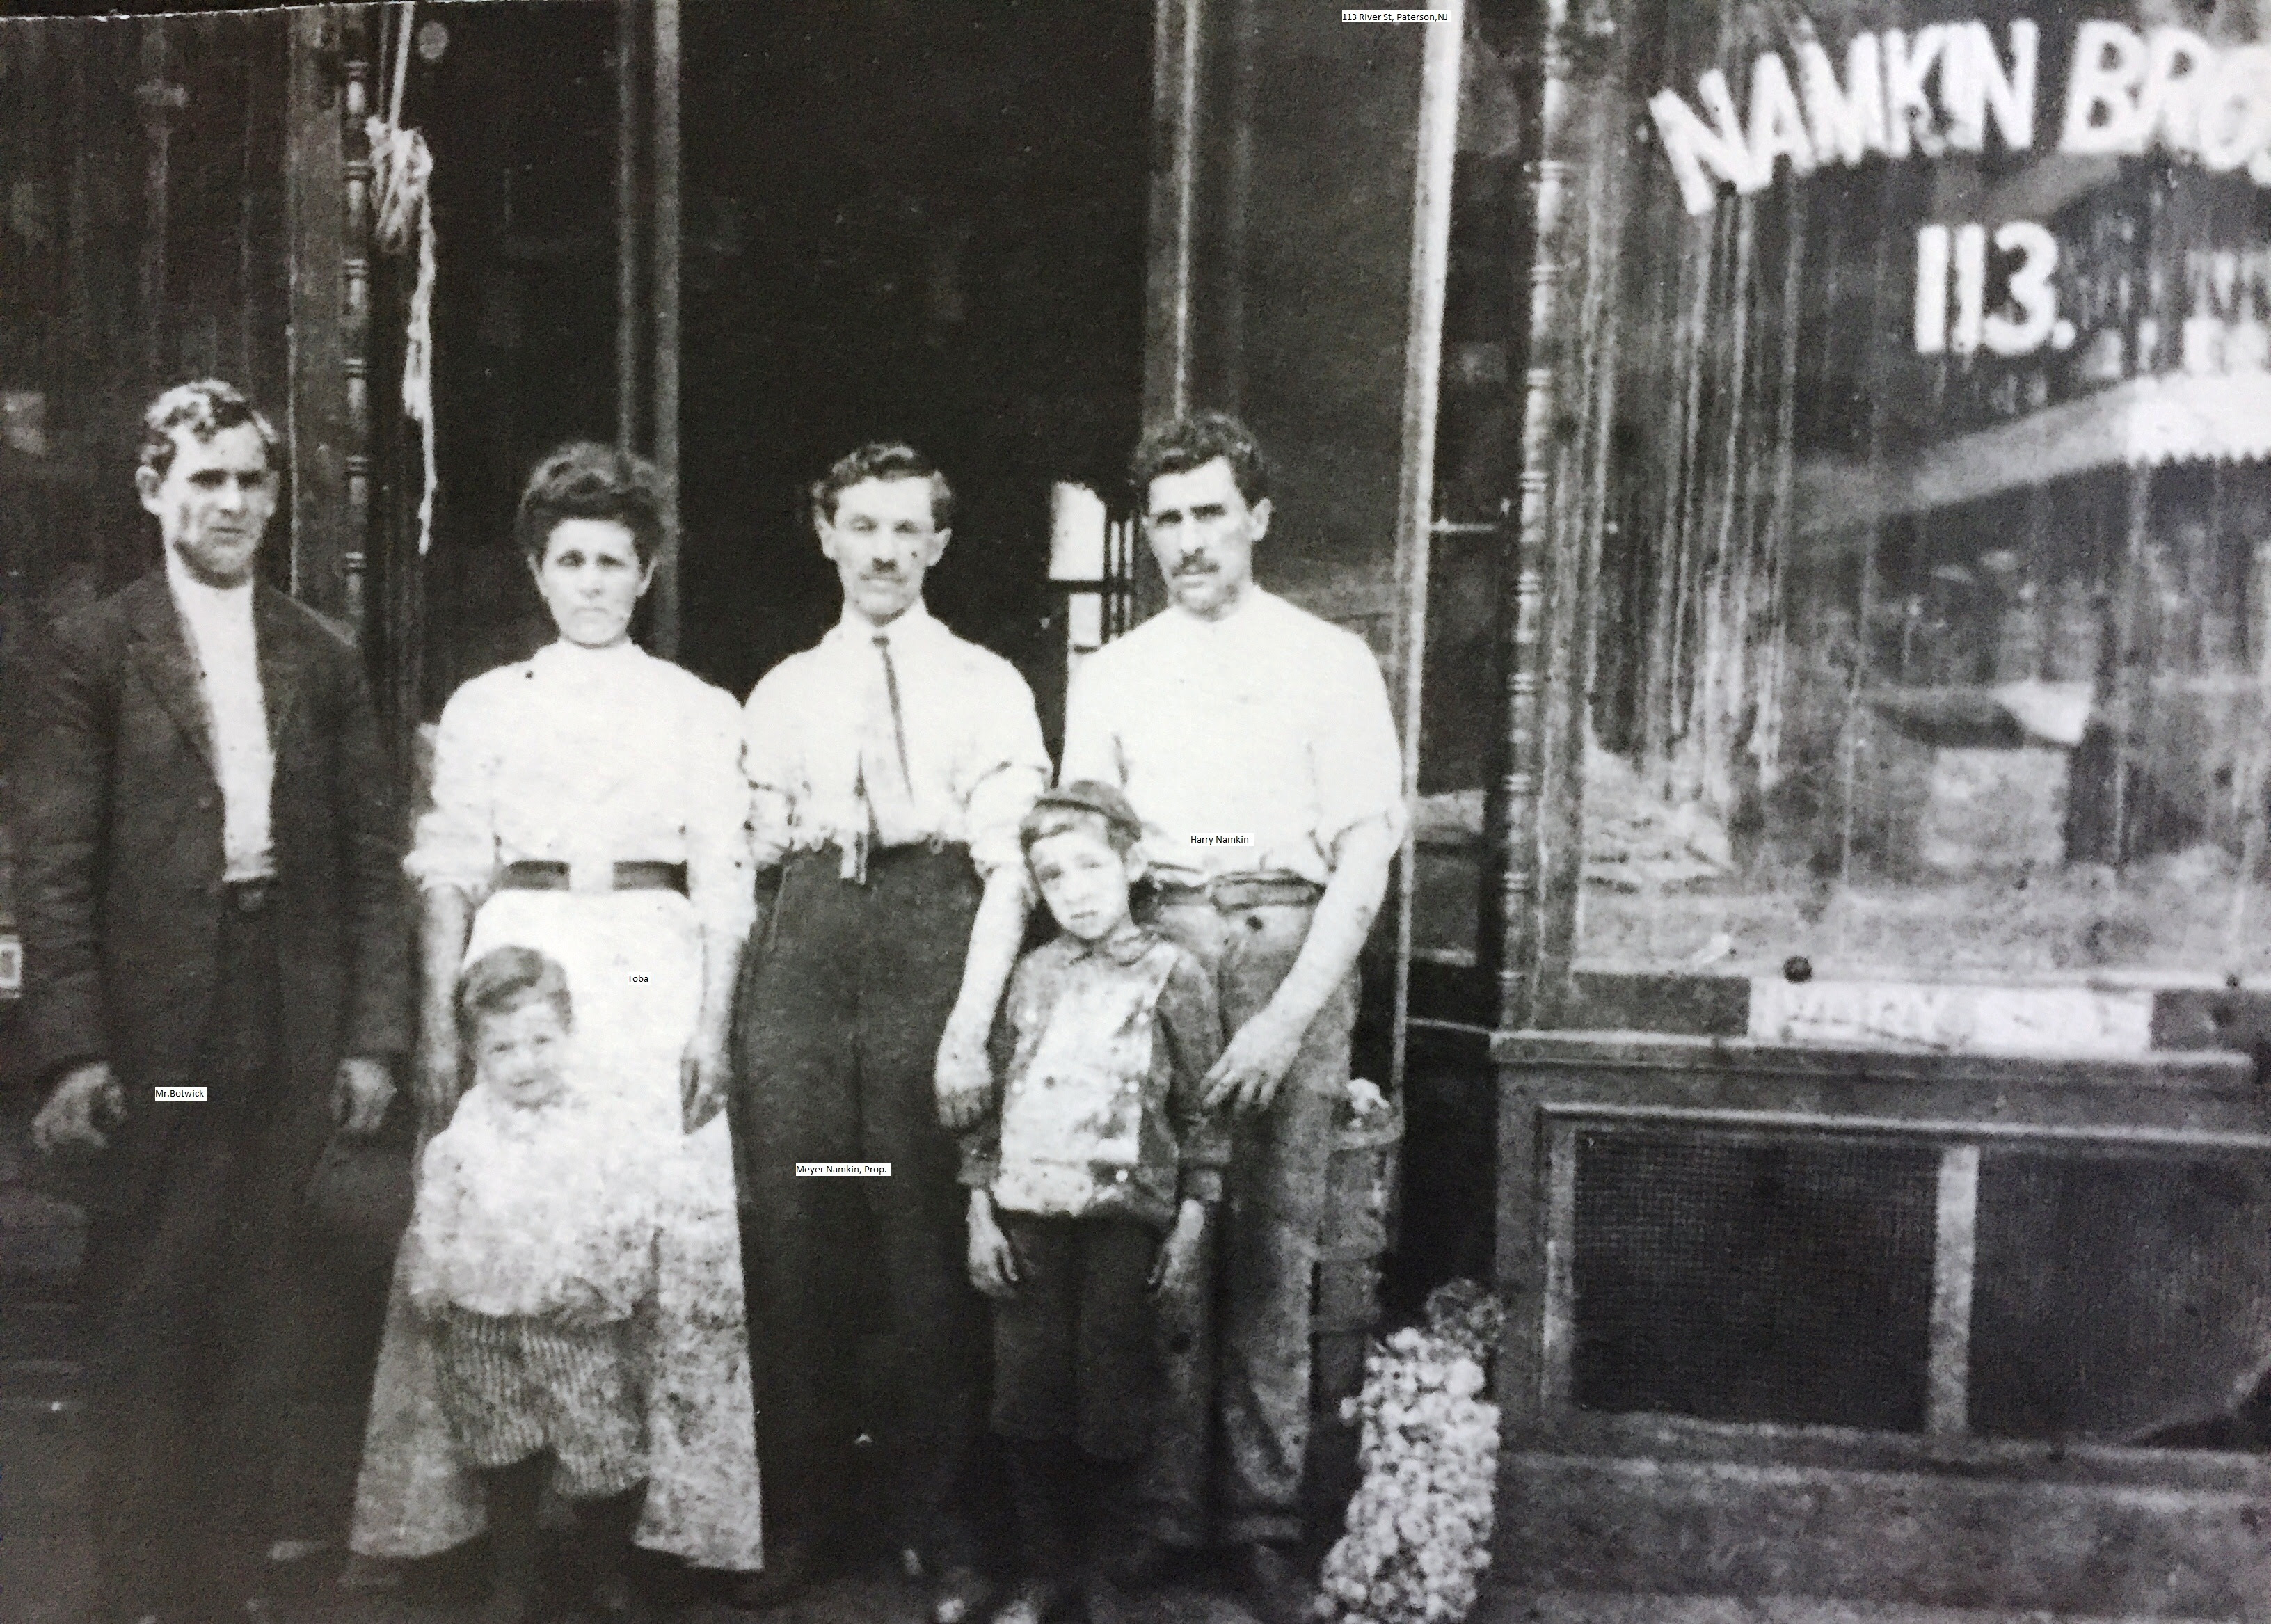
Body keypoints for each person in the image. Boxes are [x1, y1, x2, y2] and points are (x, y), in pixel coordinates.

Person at [11, 379, 413, 1624]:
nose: (231, 502)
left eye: (250, 479)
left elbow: (368, 868)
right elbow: (58, 868)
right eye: (205, 480)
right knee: (149, 1295)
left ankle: (231, 1586)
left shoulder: (322, 652)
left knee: (259, 1303)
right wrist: (75, 1053)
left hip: (282, 1015)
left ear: (274, 494)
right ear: (152, 491)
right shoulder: (93, 649)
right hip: (159, 1039)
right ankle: (137, 1586)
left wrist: (373, 1040)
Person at [349, 443, 763, 1580]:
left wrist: (711, 1025)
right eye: (569, 558)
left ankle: (642, 1535)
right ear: (537, 570)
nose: (590, 579)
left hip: (644, 970)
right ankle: (506, 1536)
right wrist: (439, 1018)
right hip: (519, 967)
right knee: (507, 1233)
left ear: (648, 572)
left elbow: (724, 881)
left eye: (613, 560)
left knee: (641, 1234)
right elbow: (449, 864)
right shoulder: (486, 706)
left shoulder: (695, 707)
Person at [1060, 411, 1406, 1624]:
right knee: (1163, 1243)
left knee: (1268, 1249)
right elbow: (1084, 847)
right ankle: (1161, 1511)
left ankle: (1262, 1521)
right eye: (1167, 519)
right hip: (1157, 958)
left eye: (1211, 512)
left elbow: (1366, 853)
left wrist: (1288, 1017)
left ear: (1255, 517)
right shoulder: (1112, 672)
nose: (1190, 540)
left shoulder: (1329, 659)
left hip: (1286, 954)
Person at [731, 442, 1050, 1619]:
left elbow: (1009, 873)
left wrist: (967, 1027)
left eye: (905, 528)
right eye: (858, 524)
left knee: (930, 1255)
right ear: (823, 530)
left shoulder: (986, 684)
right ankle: (805, 1516)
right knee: (805, 1233)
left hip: (929, 955)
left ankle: (947, 1525)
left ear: (937, 542)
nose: (880, 549)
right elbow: (750, 862)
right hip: (810, 978)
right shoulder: (779, 691)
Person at [960, 783, 1225, 1624]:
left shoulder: (1175, 974)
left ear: (1133, 865)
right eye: (1053, 876)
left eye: (1091, 867)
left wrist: (1191, 1220)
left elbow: (1203, 1114)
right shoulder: (1030, 975)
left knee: (1113, 1395)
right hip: (1029, 1219)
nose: (1075, 890)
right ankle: (1046, 1574)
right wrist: (978, 1212)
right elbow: (989, 1104)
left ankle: (1107, 1577)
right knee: (1026, 1397)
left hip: (1124, 1224)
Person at [406, 947, 660, 1624]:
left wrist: (608, 1284)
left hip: (569, 1318)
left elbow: (631, 1210)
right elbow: (440, 1202)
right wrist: (432, 1270)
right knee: (503, 1451)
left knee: (601, 1450)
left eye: (542, 1041)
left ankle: (604, 1572)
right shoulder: (468, 1126)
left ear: (569, 1034)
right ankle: (513, 1580)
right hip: (483, 1318)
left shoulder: (598, 1122)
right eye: (504, 1049)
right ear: (476, 1055)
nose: (526, 1063)